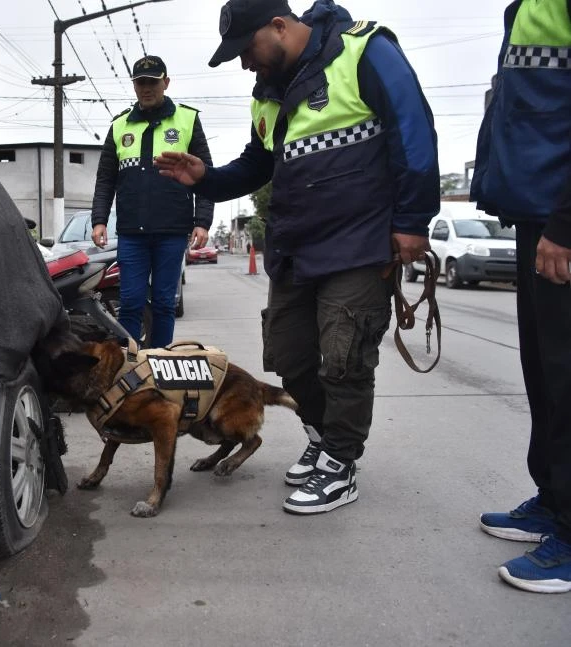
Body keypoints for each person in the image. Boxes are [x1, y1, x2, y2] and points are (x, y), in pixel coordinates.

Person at [156, 0, 439, 515]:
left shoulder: (364, 50)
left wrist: (412, 223)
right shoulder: (267, 94)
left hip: (357, 243)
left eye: (247, 50)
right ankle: (322, 434)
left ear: (280, 26)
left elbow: (413, 130)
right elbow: (257, 165)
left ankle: (341, 462)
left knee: (345, 356)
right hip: (295, 246)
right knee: (289, 355)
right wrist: (207, 179)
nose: (245, 63)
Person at [470, 0, 571, 594]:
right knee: (546, 373)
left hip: (561, 218)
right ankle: (556, 499)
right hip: (538, 214)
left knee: (568, 377)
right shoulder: (527, 7)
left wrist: (566, 222)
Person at [90, 55, 213, 349]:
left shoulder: (187, 120)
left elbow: (205, 175)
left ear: (165, 83)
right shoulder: (119, 126)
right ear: (134, 86)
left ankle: (160, 363)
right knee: (130, 302)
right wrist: (99, 219)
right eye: (140, 83)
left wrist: (202, 222)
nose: (147, 88)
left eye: (153, 82)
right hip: (132, 233)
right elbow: (106, 178)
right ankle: (131, 366)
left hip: (172, 231)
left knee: (163, 303)